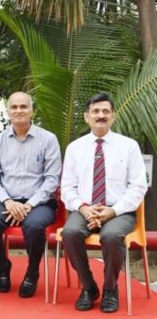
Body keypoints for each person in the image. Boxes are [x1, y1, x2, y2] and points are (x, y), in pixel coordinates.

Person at [60, 92, 147, 313]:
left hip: (119, 211)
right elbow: (67, 188)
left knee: (110, 235)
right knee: (69, 233)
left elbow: (138, 186)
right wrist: (83, 208)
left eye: (106, 111)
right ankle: (89, 287)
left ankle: (110, 289)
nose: (101, 115)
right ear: (86, 116)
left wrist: (113, 210)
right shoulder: (75, 148)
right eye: (96, 111)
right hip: (85, 209)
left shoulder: (129, 146)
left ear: (113, 116)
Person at [0, 92, 62, 297]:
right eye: (14, 107)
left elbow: (52, 180)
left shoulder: (48, 139)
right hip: (7, 200)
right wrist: (8, 201)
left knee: (34, 226)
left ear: (31, 110)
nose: (19, 111)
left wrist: (29, 205)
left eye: (23, 107)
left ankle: (32, 272)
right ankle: (2, 269)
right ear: (8, 112)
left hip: (40, 202)